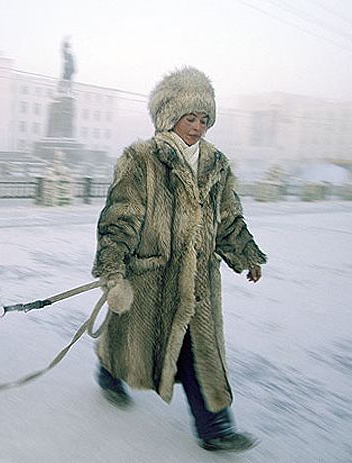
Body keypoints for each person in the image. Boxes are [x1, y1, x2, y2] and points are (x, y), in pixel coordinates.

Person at [92, 67, 266, 453]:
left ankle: (215, 427)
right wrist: (112, 270)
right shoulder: (141, 160)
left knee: (199, 350)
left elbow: (228, 218)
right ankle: (108, 371)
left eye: (205, 119)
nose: (198, 127)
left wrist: (246, 253)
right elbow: (119, 220)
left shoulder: (216, 164)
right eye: (191, 117)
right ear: (169, 116)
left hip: (200, 283)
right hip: (151, 275)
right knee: (128, 335)